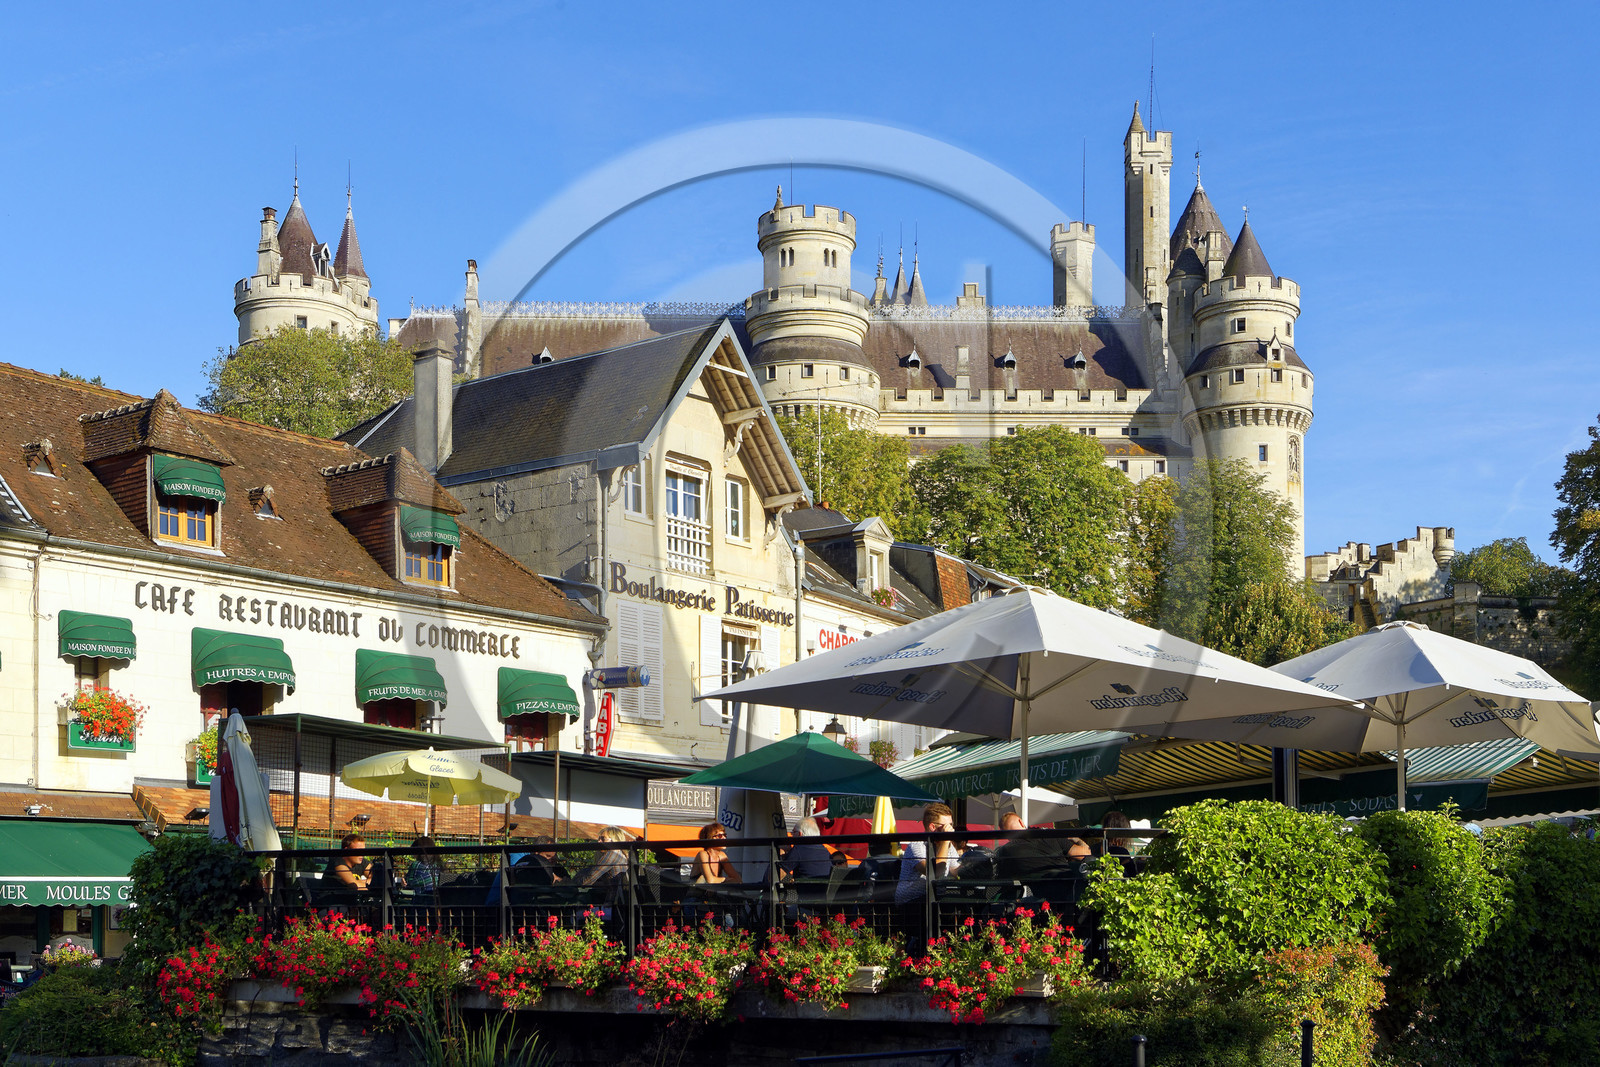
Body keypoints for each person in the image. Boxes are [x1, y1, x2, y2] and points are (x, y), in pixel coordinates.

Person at [896, 803, 960, 904]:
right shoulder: (916, 845)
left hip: (936, 898)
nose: (951, 830)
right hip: (911, 901)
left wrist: (974, 864)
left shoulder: (947, 845)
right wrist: (945, 840)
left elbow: (956, 870)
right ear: (932, 827)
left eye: (951, 825)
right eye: (946, 826)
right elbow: (934, 873)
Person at [779, 818, 834, 883]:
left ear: (800, 834)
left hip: (805, 891)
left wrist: (780, 854)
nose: (791, 835)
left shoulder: (799, 849)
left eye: (793, 832)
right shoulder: (825, 850)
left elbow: (775, 876)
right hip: (825, 891)